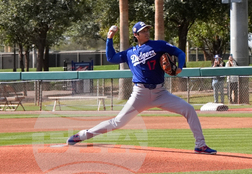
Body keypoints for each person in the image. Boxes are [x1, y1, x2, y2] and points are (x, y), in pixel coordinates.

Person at [67, 22, 216, 154]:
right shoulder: (130, 52)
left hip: (160, 93)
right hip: (140, 93)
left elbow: (179, 52)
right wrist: (110, 38)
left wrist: (180, 67)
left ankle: (200, 145)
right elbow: (111, 58)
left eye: (147, 30)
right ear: (136, 34)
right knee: (118, 122)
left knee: (189, 109)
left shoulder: (159, 45)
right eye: (143, 30)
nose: (146, 32)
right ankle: (83, 135)